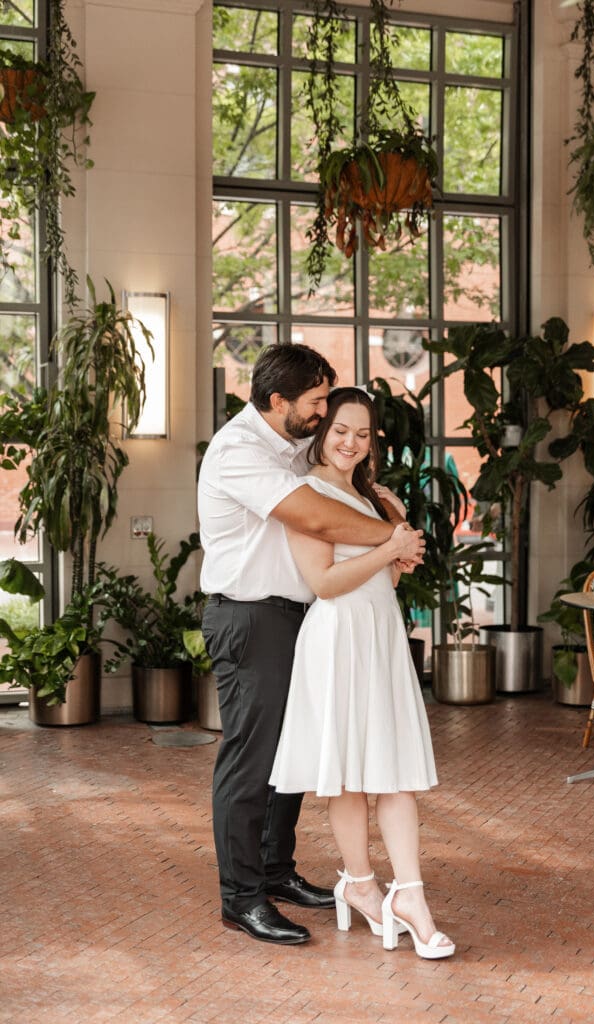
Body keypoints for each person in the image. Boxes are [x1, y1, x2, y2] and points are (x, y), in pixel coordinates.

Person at [198, 346, 425, 947]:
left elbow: (341, 476)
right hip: (250, 616)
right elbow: (319, 519)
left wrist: (386, 524)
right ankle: (242, 898)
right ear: (279, 403)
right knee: (250, 760)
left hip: (298, 616)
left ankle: (276, 872)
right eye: (318, 403)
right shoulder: (239, 451)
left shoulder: (292, 444)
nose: (325, 415)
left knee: (289, 757)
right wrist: (395, 537)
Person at [269, 387, 455, 960]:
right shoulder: (305, 497)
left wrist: (399, 549)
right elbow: (322, 583)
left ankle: (411, 898)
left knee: (394, 772)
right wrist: (389, 547)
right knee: (348, 775)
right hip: (335, 636)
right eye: (341, 430)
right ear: (321, 432)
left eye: (363, 433)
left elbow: (390, 581)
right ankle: (360, 881)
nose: (351, 442)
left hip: (380, 632)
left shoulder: (377, 499)